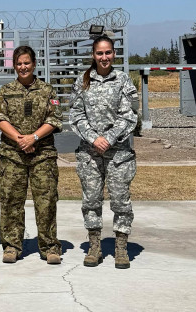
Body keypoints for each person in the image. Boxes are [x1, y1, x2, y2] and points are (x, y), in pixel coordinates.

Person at [70, 34, 139, 269]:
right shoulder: (83, 80)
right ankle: (95, 246)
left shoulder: (122, 80)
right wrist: (93, 138)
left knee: (121, 201)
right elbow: (76, 115)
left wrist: (108, 139)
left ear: (114, 54)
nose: (104, 57)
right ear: (93, 55)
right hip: (90, 153)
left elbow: (129, 115)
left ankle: (121, 247)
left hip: (118, 153)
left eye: (108, 52)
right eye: (99, 53)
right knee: (91, 200)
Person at [0, 45, 63, 264]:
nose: (23, 67)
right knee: (11, 201)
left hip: (43, 155)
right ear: (14, 65)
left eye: (27, 63)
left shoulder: (48, 90)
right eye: (19, 63)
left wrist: (34, 138)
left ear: (34, 64)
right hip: (13, 155)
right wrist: (21, 140)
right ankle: (12, 246)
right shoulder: (6, 90)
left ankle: (49, 246)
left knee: (46, 202)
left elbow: (55, 119)